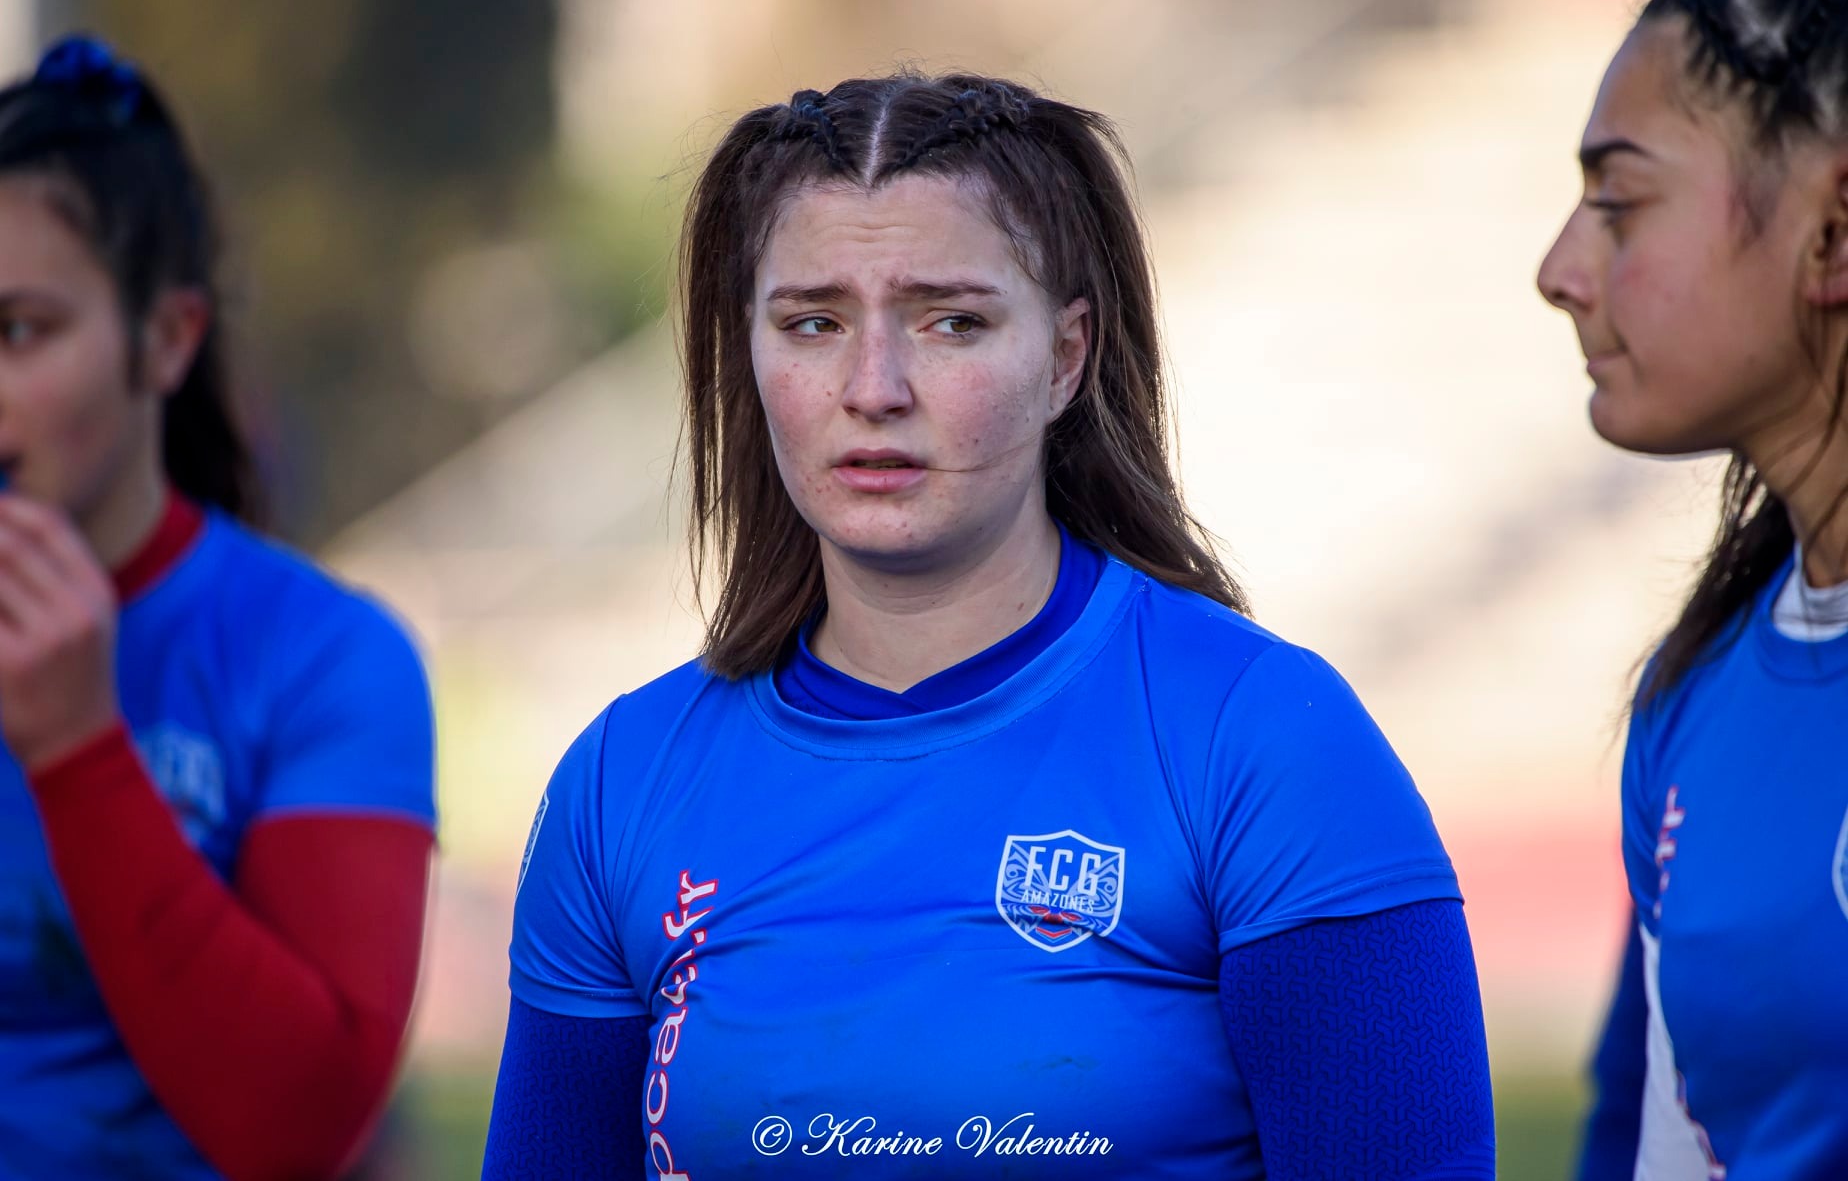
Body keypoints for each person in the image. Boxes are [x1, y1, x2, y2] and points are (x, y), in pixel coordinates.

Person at [486, 71, 1495, 1179]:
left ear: (1067, 355)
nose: (874, 385)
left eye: (950, 321)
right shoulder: (624, 782)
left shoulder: (1263, 743)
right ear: (751, 353)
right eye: (813, 322)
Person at [0, 37, 435, 1179]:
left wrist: (78, 748)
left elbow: (298, 1129)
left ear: (168, 338)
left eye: (18, 332)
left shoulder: (323, 659)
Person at [1538, 0, 1848, 1176]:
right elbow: (1657, 1144)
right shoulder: (1698, 694)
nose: (1560, 271)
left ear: (1834, 232)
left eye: (1619, 204)